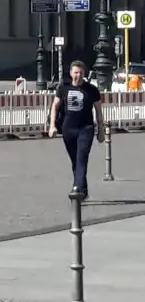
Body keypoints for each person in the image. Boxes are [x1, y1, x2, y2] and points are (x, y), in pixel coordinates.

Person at [48, 60, 105, 199]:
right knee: (75, 160)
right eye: (76, 73)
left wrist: (101, 130)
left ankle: (77, 187)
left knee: (82, 158)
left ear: (84, 74)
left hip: (86, 129)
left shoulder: (92, 90)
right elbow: (55, 106)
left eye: (81, 73)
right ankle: (83, 189)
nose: (78, 75)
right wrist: (52, 125)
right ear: (71, 73)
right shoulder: (63, 88)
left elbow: (98, 111)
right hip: (69, 129)